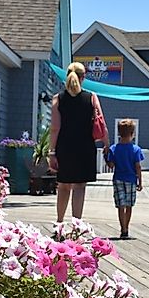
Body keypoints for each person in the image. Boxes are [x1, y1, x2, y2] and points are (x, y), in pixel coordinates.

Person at [49, 62, 109, 223]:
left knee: (63, 185)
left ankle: (59, 223)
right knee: (79, 186)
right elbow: (101, 123)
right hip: (84, 147)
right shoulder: (91, 97)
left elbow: (55, 128)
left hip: (65, 147)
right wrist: (106, 144)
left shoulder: (58, 99)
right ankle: (77, 225)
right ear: (83, 78)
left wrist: (52, 152)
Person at [104, 119, 144, 239]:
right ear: (132, 134)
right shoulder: (136, 149)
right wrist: (140, 182)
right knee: (129, 205)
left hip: (118, 179)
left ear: (119, 133)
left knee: (120, 206)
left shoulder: (114, 149)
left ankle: (123, 229)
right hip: (131, 180)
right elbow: (138, 167)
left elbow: (111, 166)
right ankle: (127, 228)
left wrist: (106, 156)